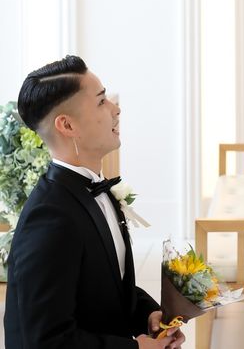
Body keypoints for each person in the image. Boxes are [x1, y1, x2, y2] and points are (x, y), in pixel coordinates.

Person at [4, 55, 186, 349]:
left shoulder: (95, 189)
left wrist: (148, 316)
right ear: (67, 125)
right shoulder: (50, 217)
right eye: (101, 101)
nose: (116, 109)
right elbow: (45, 341)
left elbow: (108, 287)